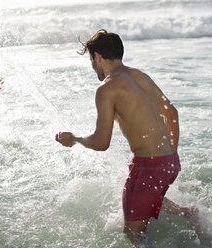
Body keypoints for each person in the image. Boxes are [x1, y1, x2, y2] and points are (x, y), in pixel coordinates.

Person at [55, 30, 200, 246]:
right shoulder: (140, 75)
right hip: (170, 162)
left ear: (98, 57)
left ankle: (186, 216)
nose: (92, 66)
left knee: (132, 235)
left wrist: (74, 139)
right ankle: (188, 214)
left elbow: (101, 142)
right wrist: (169, 155)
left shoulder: (106, 89)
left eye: (91, 60)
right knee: (147, 194)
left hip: (151, 167)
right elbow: (172, 113)